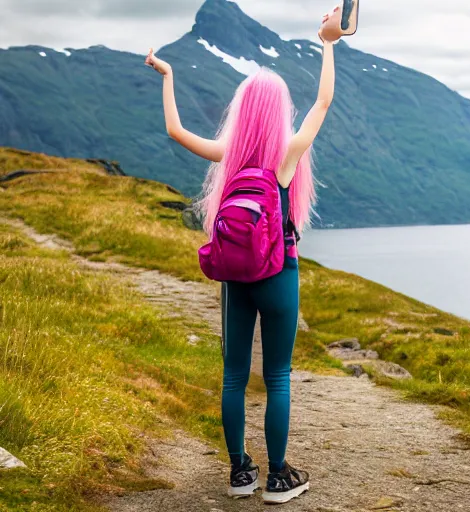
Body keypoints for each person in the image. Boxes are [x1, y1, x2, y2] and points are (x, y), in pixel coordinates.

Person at [145, 6, 338, 504]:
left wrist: (167, 76)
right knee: (277, 376)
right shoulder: (287, 156)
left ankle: (238, 474)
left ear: (241, 109)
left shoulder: (228, 158)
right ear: (277, 112)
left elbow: (174, 131)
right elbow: (322, 102)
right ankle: (277, 477)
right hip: (280, 272)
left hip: (236, 277)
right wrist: (329, 43)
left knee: (233, 375)